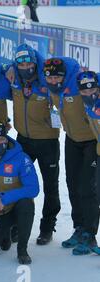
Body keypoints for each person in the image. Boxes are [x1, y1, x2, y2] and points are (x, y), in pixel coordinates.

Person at [43, 58, 99, 255]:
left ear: (65, 75)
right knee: (72, 184)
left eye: (58, 75)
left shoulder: (77, 82)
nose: (54, 79)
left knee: (87, 187)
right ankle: (79, 227)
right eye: (50, 76)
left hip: (91, 141)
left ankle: (90, 235)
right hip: (72, 139)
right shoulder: (50, 85)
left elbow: (94, 81)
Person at [8, 44, 61, 245]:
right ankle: (16, 225)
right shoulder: (13, 79)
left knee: (50, 185)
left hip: (48, 141)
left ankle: (47, 226)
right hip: (24, 140)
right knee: (19, 182)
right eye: (20, 62)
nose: (25, 65)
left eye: (29, 61)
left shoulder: (46, 79)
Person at [0, 121, 39, 264]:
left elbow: (33, 188)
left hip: (16, 209)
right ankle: (4, 234)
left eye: (2, 139)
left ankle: (22, 249)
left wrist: (5, 199)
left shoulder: (21, 158)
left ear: (7, 138)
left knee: (26, 203)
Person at [75, 70, 100, 255]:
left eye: (92, 90)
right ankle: (90, 238)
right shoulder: (88, 104)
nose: (88, 94)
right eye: (83, 91)